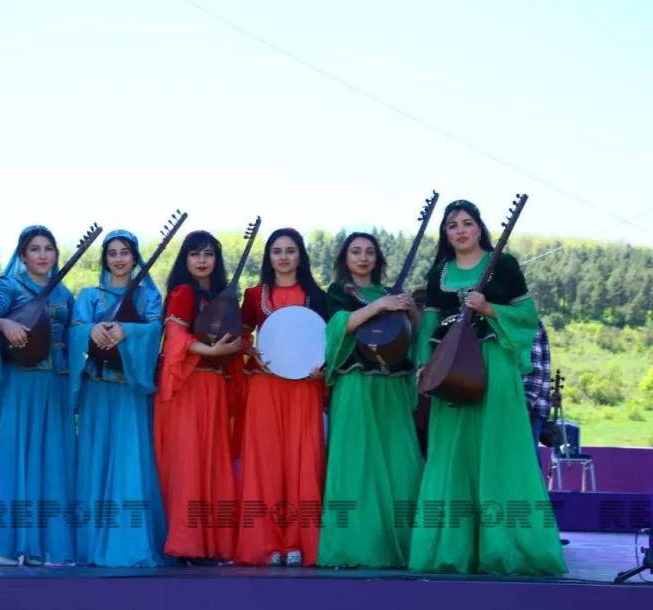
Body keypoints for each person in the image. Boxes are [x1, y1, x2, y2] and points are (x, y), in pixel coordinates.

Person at [408, 199, 566, 576]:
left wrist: (489, 308)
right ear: (445, 234)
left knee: (499, 452)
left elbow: (528, 316)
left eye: (467, 223)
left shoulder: (503, 265)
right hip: (452, 371)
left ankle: (504, 548)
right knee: (452, 455)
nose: (460, 230)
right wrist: (423, 365)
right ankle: (452, 549)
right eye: (452, 226)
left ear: (479, 228)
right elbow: (428, 324)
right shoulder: (439, 273)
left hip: (494, 365)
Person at [0, 225, 76, 566]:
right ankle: (7, 543)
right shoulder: (9, 286)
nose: (43, 255)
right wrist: (4, 325)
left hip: (55, 386)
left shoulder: (64, 294)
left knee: (50, 462)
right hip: (19, 383)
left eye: (49, 248)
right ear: (23, 255)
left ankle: (39, 544)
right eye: (35, 249)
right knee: (13, 457)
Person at [316, 232, 423, 569]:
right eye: (355, 252)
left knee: (401, 463)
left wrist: (411, 313)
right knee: (357, 462)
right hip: (355, 383)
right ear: (345, 258)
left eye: (369, 252)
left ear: (377, 258)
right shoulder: (337, 292)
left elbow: (410, 337)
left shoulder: (391, 292)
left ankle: (404, 544)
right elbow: (338, 327)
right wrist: (379, 306)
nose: (363, 258)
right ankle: (357, 546)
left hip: (392, 385)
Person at [69, 229, 169, 566]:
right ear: (104, 259)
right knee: (96, 460)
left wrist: (128, 330)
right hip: (97, 391)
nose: (119, 259)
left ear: (135, 257)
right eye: (112, 253)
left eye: (125, 252)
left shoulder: (148, 297)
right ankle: (92, 543)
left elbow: (155, 330)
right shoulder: (89, 296)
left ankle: (131, 543)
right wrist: (90, 330)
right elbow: (74, 330)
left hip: (131, 392)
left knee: (130, 461)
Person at [234, 228, 328, 567]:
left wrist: (322, 368)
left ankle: (300, 540)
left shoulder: (317, 296)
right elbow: (240, 337)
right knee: (267, 463)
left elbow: (329, 340)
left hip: (304, 387)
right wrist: (250, 353)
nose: (284, 257)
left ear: (300, 255)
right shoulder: (253, 295)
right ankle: (267, 542)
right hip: (265, 385)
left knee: (304, 462)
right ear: (269, 256)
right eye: (277, 251)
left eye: (290, 250)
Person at [154, 231, 244, 565]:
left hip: (214, 387)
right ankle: (187, 543)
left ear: (217, 260)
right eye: (195, 254)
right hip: (188, 385)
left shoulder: (222, 297)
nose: (202, 260)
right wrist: (211, 350)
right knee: (189, 463)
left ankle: (211, 543)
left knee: (212, 461)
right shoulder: (183, 293)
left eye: (208, 254)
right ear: (185, 260)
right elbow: (175, 335)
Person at [524, 319, 552, 462]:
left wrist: (526, 402)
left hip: (530, 403)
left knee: (528, 454)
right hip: (532, 401)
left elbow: (534, 367)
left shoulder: (527, 320)